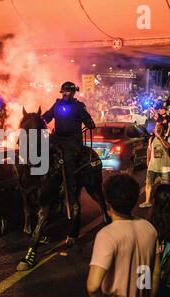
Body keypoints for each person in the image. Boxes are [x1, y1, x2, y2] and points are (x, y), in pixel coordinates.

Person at [87, 174, 160, 297]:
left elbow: (93, 286)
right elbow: (155, 273)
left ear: (108, 203)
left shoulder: (107, 235)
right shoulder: (150, 229)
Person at [42, 81, 96, 247]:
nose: (65, 94)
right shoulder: (57, 105)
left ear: (73, 93)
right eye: (63, 91)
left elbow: (90, 124)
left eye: (67, 92)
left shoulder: (79, 107)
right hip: (56, 141)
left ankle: (72, 202)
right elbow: (46, 117)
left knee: (69, 171)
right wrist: (37, 119)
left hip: (72, 144)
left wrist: (87, 121)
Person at [140, 124, 170, 208]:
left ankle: (165, 201)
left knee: (165, 185)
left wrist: (160, 137)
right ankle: (147, 201)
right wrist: (148, 161)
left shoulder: (168, 138)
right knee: (148, 183)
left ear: (164, 131)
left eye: (160, 129)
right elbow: (149, 150)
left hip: (164, 166)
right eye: (156, 129)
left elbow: (168, 146)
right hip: (153, 166)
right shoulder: (151, 139)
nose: (158, 130)